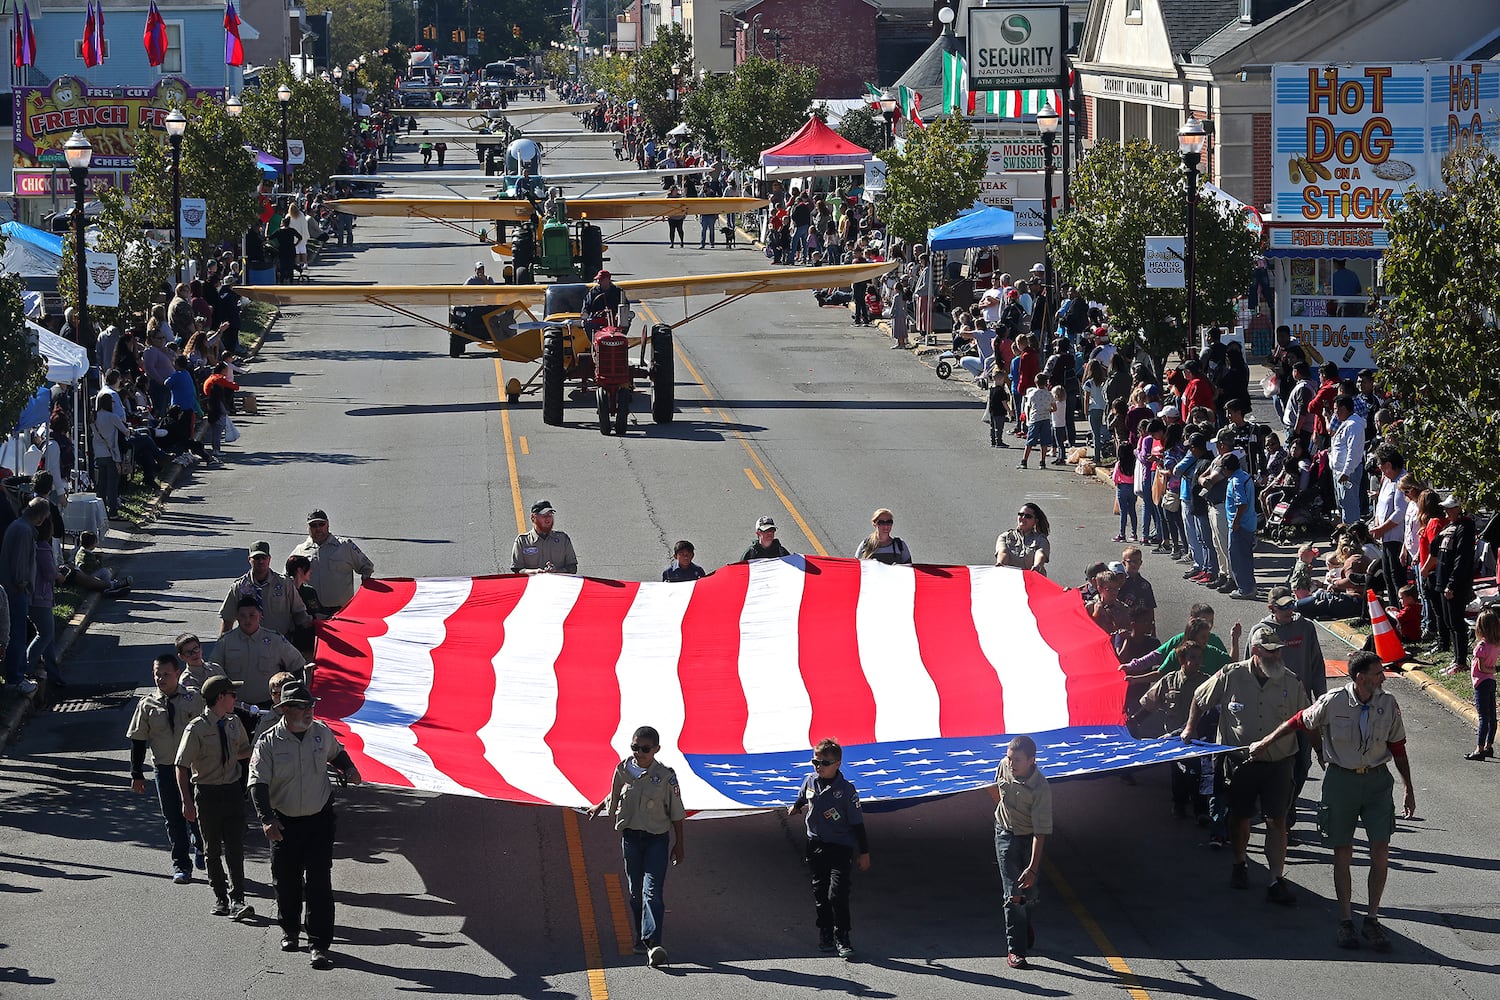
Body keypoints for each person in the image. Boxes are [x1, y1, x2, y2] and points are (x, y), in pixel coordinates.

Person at [1249, 651, 1413, 951]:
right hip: (1342, 781)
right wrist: (1265, 743)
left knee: (1380, 848)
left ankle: (1373, 919)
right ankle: (1346, 920)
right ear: (1361, 678)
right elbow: (1298, 721)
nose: (1383, 678)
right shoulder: (1333, 701)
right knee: (1343, 850)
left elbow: (1398, 747)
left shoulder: (1387, 704)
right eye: (1377, 673)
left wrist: (1408, 788)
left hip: (1377, 781)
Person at [1183, 624, 1309, 906]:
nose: (1277, 657)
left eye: (1279, 651)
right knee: (1239, 817)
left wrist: (1322, 752)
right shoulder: (1231, 675)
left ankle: (1276, 878)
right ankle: (1240, 863)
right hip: (1240, 762)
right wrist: (1190, 727)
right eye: (1271, 652)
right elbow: (1199, 698)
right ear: (1256, 652)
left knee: (1277, 820)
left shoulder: (1291, 681)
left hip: (1278, 762)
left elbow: (1305, 718)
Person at [249, 680, 362, 970]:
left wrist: (348, 768)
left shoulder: (321, 733)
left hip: (319, 821)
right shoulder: (269, 742)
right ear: (286, 709)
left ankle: (319, 945)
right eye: (302, 706)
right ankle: (289, 930)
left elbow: (337, 753)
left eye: (312, 705)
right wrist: (266, 820)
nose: (310, 710)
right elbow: (257, 784)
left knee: (319, 885)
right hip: (283, 824)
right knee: (286, 883)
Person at [585, 726, 686, 968]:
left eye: (644, 748)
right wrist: (599, 806)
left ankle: (653, 943)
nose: (639, 752)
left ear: (656, 749)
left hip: (656, 840)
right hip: (631, 838)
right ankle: (643, 936)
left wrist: (679, 844)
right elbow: (617, 792)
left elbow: (676, 811)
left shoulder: (665, 776)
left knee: (652, 891)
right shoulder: (623, 769)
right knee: (635, 891)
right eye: (635, 747)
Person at [175, 674, 255, 921]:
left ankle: (238, 898)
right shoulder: (196, 728)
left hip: (231, 790)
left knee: (235, 847)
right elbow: (181, 765)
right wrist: (186, 801)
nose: (235, 699)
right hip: (207, 793)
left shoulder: (233, 722)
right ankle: (220, 896)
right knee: (211, 849)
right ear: (220, 697)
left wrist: (259, 747)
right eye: (232, 694)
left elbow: (241, 750)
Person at [1256, 588, 1328, 840]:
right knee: (1279, 766)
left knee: (1302, 764)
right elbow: (1249, 669)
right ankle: (1281, 815)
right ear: (1271, 609)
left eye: (1291, 606)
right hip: (1274, 715)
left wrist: (1321, 698)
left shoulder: (1306, 628)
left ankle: (1287, 805)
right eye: (1283, 607)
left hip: (1303, 710)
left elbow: (1316, 665)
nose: (1289, 611)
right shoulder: (1261, 632)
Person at [128, 652, 206, 882]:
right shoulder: (147, 705)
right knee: (173, 817)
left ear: (177, 674)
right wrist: (137, 773)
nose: (161, 679)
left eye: (166, 674)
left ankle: (202, 846)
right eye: (157, 675)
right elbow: (138, 740)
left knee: (199, 813)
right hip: (165, 769)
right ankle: (181, 864)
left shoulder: (194, 699)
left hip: (194, 768)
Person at [789, 737, 870, 959]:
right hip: (815, 845)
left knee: (838, 894)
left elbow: (857, 823)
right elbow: (803, 797)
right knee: (820, 892)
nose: (818, 767)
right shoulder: (810, 780)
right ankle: (825, 931)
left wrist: (864, 852)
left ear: (837, 764)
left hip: (840, 847)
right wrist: (796, 807)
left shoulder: (846, 791)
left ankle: (842, 936)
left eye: (823, 763)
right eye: (815, 763)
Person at [994, 735, 1050, 970]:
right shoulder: (1004, 766)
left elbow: (1040, 832)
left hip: (1029, 837)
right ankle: (1016, 951)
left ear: (1031, 761)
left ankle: (1023, 921)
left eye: (1017, 760)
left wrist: (1032, 868)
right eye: (1009, 758)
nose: (1011, 764)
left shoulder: (1040, 788)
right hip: (1005, 835)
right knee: (1014, 895)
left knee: (1030, 893)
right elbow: (997, 786)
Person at [215, 596, 307, 710]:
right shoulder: (226, 641)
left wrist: (292, 693)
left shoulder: (275, 640)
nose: (247, 620)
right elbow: (214, 671)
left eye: (252, 615)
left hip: (268, 705)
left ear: (260, 616)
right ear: (237, 617)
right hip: (235, 706)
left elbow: (298, 665)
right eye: (242, 616)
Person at [1, 499, 47, 694]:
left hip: (11, 588)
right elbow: (20, 561)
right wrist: (22, 584)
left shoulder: (18, 525)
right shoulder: (24, 531)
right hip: (15, 590)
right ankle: (15, 678)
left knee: (16, 633)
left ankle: (14, 674)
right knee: (17, 635)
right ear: (39, 516)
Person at [220, 540, 311, 637]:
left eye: (263, 557)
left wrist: (309, 628)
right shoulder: (239, 587)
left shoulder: (284, 584)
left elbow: (299, 612)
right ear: (249, 559)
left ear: (269, 559)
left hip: (280, 642)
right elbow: (228, 620)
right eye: (256, 558)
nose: (261, 561)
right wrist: (223, 646)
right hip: (249, 642)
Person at [291, 510, 375, 611]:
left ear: (328, 525)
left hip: (342, 612)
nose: (318, 528)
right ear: (308, 528)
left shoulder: (345, 546)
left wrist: (365, 588)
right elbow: (288, 578)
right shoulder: (299, 551)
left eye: (321, 524)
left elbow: (367, 567)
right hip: (311, 614)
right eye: (313, 525)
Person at [1434, 495, 1476, 675]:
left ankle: (1461, 661)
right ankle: (1456, 658)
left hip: (1455, 584)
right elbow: (1435, 548)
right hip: (1442, 580)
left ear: (1459, 508)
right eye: (1445, 508)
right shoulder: (1448, 527)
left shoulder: (1465, 527)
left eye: (1450, 508)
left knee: (1457, 622)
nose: (1446, 511)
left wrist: (1452, 584)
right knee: (1448, 621)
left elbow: (1462, 558)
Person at [1464, 608, 1500, 759]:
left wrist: (1490, 670)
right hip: (1491, 682)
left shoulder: (1481, 647)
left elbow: (1481, 667)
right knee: (1492, 717)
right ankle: (1488, 746)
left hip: (1481, 682)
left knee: (1483, 717)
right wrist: (1494, 670)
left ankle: (1479, 749)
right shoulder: (1495, 645)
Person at [510, 500, 579, 575]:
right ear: (533, 517)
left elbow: (572, 568)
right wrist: (534, 572)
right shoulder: (522, 541)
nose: (548, 518)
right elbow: (517, 570)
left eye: (550, 514)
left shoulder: (563, 539)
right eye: (544, 515)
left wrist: (557, 571)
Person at [1328, 396, 1365, 526]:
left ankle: (1352, 535)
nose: (1334, 413)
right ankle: (1346, 533)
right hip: (1340, 472)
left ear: (1343, 408)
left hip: (1348, 473)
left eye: (1336, 410)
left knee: (1350, 506)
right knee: (1343, 505)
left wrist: (1346, 472)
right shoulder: (1346, 424)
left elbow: (1353, 452)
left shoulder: (1354, 426)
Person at [996, 503, 1050, 575]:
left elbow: (1040, 554)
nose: (1023, 518)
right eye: (1020, 514)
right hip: (1009, 578)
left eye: (1028, 516)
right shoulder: (1005, 537)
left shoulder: (1040, 539)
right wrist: (1001, 563)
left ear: (1035, 521)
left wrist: (1037, 565)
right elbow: (1003, 552)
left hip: (1033, 579)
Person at [1017, 372, 1055, 470]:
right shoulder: (1049, 394)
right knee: (1044, 441)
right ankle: (1042, 462)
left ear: (1035, 382)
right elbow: (1054, 408)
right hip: (1046, 419)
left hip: (1035, 419)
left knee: (1030, 441)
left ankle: (1024, 461)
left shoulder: (1032, 394)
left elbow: (1029, 406)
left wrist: (1028, 419)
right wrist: (1048, 410)